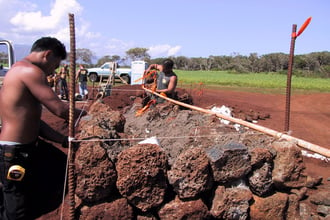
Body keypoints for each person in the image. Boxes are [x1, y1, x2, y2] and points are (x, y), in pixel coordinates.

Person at [0, 37, 86, 220]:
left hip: (27, 147)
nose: (53, 71)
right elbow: (59, 108)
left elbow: (34, 122)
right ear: (47, 55)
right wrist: (91, 116)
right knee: (16, 206)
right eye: (55, 65)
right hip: (15, 152)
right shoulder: (29, 71)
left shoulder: (19, 70)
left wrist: (62, 140)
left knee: (58, 167)